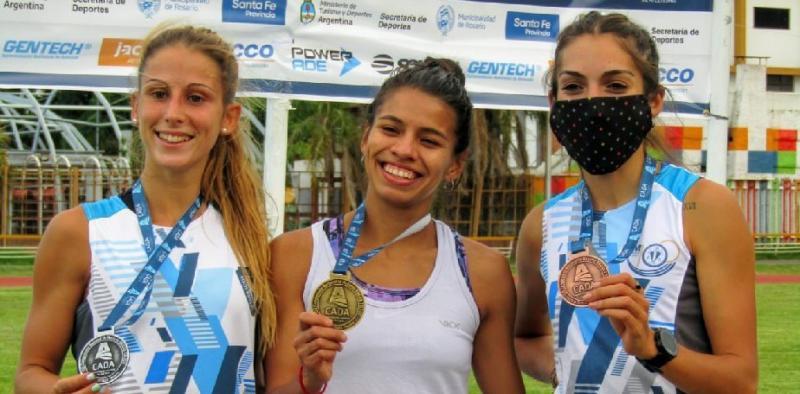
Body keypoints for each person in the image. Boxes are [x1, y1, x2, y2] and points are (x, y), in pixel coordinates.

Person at [15, 24, 275, 393]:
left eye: (196, 98)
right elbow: (30, 372)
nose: (173, 113)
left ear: (228, 119)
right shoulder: (79, 232)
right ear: (136, 107)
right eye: (159, 94)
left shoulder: (250, 239)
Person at [514, 11, 757, 394]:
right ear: (553, 101)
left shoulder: (702, 206)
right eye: (574, 87)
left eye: (614, 86)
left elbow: (740, 381)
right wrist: (572, 370)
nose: (593, 103)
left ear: (653, 100)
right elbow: (525, 338)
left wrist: (653, 351)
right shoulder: (540, 225)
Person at [265, 58, 525, 394]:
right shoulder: (295, 254)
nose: (404, 149)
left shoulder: (483, 272)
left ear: (455, 165)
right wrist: (310, 379)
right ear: (365, 138)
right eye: (391, 129)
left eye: (429, 141)